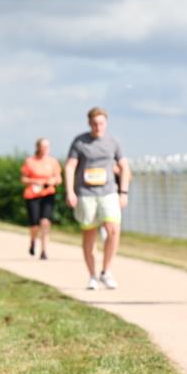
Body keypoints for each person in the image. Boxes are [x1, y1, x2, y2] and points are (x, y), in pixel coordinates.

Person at [64, 107, 130, 290]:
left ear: (106, 123)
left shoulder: (113, 142)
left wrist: (124, 192)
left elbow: (125, 167)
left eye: (101, 123)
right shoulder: (80, 142)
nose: (97, 126)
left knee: (113, 230)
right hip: (86, 194)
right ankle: (92, 275)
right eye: (94, 123)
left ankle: (106, 271)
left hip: (108, 192)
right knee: (89, 235)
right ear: (89, 123)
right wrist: (70, 191)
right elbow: (70, 167)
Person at [20, 138, 63, 259]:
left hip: (48, 194)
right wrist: (35, 181)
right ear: (38, 147)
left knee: (45, 222)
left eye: (47, 147)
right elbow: (23, 179)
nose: (45, 149)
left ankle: (44, 251)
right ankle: (33, 241)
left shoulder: (53, 162)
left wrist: (52, 181)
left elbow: (59, 179)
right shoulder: (30, 161)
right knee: (34, 225)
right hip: (32, 194)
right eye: (43, 146)